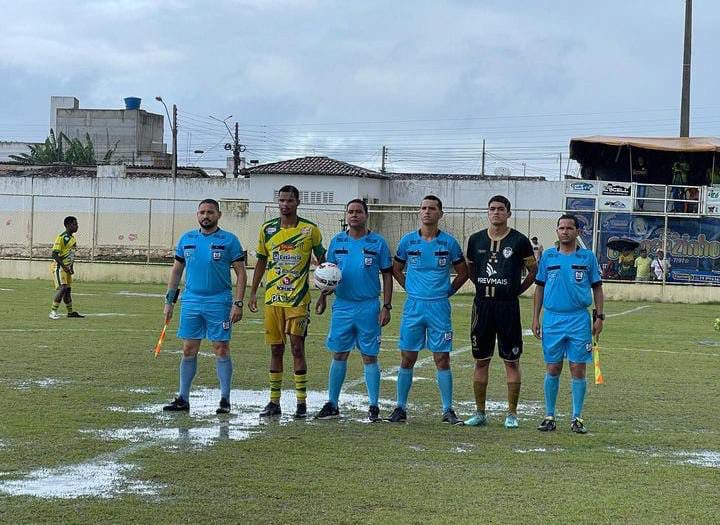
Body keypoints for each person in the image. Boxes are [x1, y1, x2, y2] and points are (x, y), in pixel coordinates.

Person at [386, 195, 468, 425]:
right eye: (423, 208)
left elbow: (463, 273)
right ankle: (400, 408)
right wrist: (410, 288)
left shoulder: (449, 243)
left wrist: (447, 292)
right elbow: (396, 268)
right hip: (414, 306)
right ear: (419, 213)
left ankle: (447, 409)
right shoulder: (408, 241)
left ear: (440, 213)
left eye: (432, 208)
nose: (427, 212)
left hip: (439, 307)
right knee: (407, 357)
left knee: (442, 358)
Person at [162, 199, 247, 414]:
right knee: (188, 349)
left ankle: (225, 399)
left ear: (218, 215)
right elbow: (176, 271)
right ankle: (183, 397)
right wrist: (169, 301)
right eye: (202, 212)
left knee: (221, 348)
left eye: (210, 212)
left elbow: (241, 273)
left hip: (219, 302)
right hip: (191, 302)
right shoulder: (187, 239)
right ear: (197, 215)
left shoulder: (229, 240)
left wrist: (238, 303)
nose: (205, 216)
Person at [249, 185, 326, 419]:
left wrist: (324, 293)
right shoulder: (267, 229)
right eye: (282, 200)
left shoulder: (310, 230)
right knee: (275, 349)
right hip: (273, 299)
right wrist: (253, 293)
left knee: (297, 348)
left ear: (298, 202)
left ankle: (301, 403)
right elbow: (261, 262)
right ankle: (274, 402)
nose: (285, 204)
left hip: (298, 300)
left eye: (290, 200)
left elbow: (325, 264)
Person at [314, 199, 393, 422]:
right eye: (350, 211)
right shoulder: (337, 241)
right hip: (342, 306)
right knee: (339, 353)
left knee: (369, 356)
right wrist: (322, 297)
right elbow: (328, 275)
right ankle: (332, 403)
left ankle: (374, 406)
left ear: (366, 215)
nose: (354, 215)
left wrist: (386, 306)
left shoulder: (377, 242)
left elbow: (387, 275)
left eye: (359, 211)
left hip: (369, 306)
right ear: (346, 215)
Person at [464, 195, 537, 429]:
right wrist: (481, 287)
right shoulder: (475, 240)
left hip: (508, 307)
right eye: (492, 209)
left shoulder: (519, 241)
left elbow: (534, 270)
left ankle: (512, 414)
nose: (496, 212)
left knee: (511, 361)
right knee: (481, 361)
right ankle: (479, 412)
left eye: (501, 209)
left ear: (508, 213)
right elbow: (470, 268)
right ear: (488, 212)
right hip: (483, 306)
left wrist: (517, 290)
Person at [532, 214, 604, 434]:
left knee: (578, 368)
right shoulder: (548, 257)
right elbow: (540, 288)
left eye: (569, 228)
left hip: (578, 320)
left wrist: (599, 317)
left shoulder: (587, 257)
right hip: (553, 319)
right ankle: (549, 416)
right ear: (557, 231)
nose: (565, 231)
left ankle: (577, 418)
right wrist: (536, 317)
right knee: (552, 367)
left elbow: (597, 288)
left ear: (577, 232)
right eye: (561, 228)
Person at [49, 216, 84, 319]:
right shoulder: (61, 237)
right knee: (62, 288)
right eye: (75, 224)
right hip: (59, 267)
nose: (77, 226)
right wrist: (64, 266)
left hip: (67, 268)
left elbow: (71, 254)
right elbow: (54, 254)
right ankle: (52, 312)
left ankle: (70, 312)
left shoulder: (73, 239)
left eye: (77, 224)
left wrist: (71, 267)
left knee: (68, 290)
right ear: (68, 225)